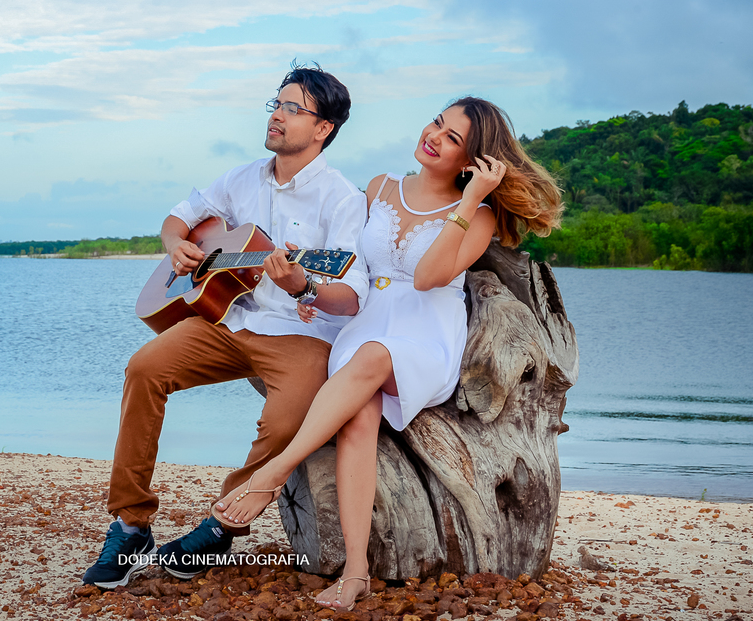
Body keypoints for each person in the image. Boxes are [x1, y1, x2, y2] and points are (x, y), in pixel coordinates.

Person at [209, 96, 564, 611]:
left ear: (472, 161)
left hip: (425, 334)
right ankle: (356, 572)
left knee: (375, 356)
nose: (434, 136)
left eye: (452, 138)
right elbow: (347, 265)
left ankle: (275, 471)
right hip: (365, 324)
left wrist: (469, 200)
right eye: (437, 123)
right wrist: (311, 293)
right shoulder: (379, 188)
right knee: (358, 421)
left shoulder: (480, 216)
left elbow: (427, 277)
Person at [82, 64, 371, 589]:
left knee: (285, 423)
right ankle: (130, 523)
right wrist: (177, 245)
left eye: (293, 109)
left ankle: (220, 525)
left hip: (300, 334)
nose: (277, 116)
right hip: (229, 319)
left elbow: (351, 297)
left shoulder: (342, 198)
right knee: (144, 369)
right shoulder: (241, 178)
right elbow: (179, 218)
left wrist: (302, 285)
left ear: (323, 128)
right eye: (276, 104)